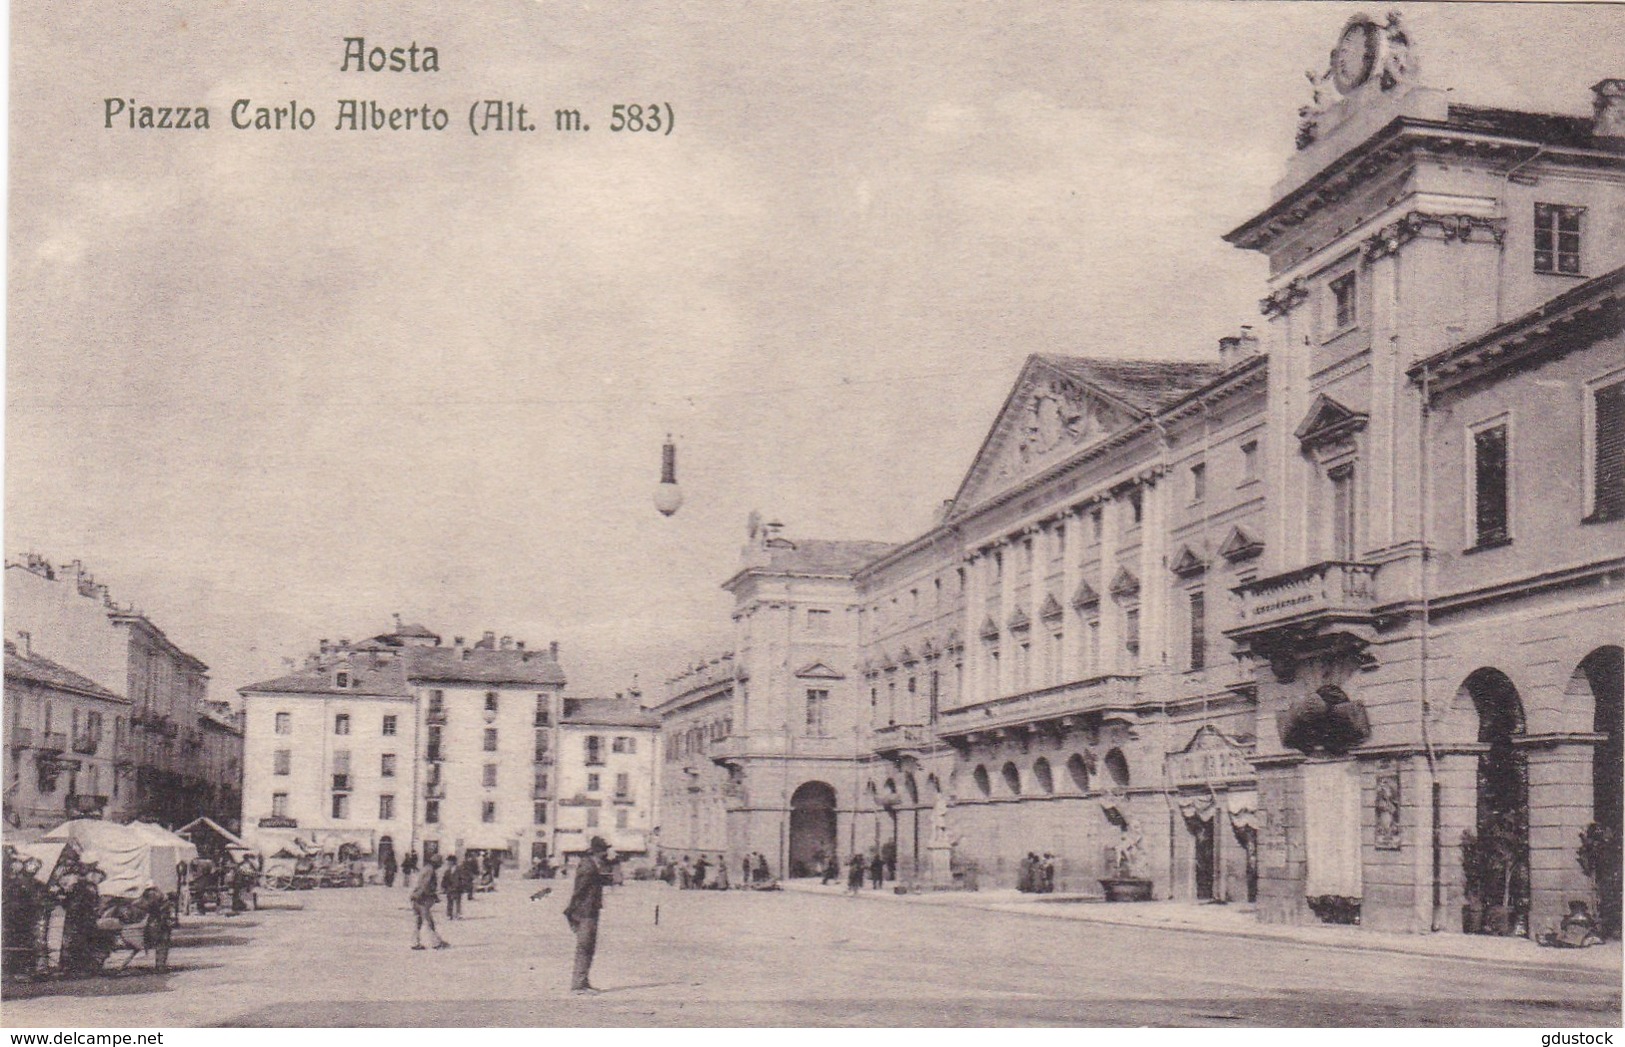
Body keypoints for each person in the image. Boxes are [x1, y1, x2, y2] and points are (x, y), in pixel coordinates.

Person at [564, 836, 614, 994]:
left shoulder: (592, 865)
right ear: (598, 851)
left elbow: (606, 879)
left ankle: (583, 982)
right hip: (585, 911)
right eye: (604, 850)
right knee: (584, 946)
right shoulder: (588, 866)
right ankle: (578, 985)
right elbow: (579, 889)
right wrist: (572, 910)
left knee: (589, 947)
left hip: (590, 910)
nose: (606, 853)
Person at [411, 855, 449, 950]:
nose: (440, 866)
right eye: (440, 863)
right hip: (422, 898)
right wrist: (425, 895)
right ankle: (435, 942)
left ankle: (415, 942)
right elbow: (425, 884)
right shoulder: (430, 870)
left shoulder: (425, 868)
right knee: (428, 921)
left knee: (419, 921)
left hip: (417, 897)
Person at [136, 885, 175, 973]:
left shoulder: (143, 898)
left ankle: (160, 965)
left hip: (149, 926)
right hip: (155, 926)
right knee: (163, 940)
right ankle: (160, 965)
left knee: (162, 938)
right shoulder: (159, 898)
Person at [442, 855, 462, 919]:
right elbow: (444, 879)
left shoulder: (459, 869)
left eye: (449, 862)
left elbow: (461, 879)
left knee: (457, 901)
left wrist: (458, 886)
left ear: (453, 862)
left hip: (457, 888)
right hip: (449, 888)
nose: (448, 863)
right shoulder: (447, 871)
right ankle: (449, 914)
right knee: (449, 901)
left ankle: (458, 913)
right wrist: (444, 886)